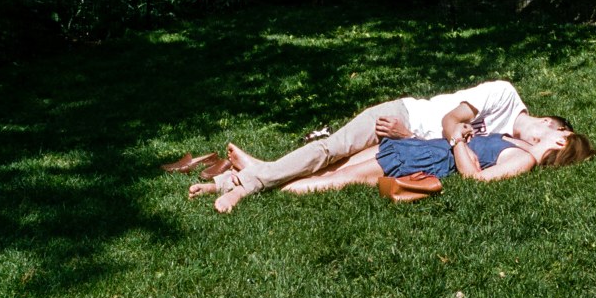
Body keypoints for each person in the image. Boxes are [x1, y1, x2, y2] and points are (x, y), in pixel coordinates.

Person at [194, 79, 573, 212]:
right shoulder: (504, 95)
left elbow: (443, 151)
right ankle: (254, 182)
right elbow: (448, 123)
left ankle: (243, 175)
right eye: (552, 138)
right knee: (329, 151)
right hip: (401, 116)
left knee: (329, 166)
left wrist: (408, 141)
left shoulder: (508, 140)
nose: (544, 148)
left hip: (405, 140)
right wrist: (408, 133)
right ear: (548, 123)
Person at [204, 127, 596, 200]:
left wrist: (459, 138)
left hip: (419, 158)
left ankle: (250, 184)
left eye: (553, 130)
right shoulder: (516, 142)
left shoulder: (523, 158)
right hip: (414, 149)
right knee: (328, 172)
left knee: (331, 181)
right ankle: (245, 176)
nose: (545, 128)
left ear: (561, 141)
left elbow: (477, 180)